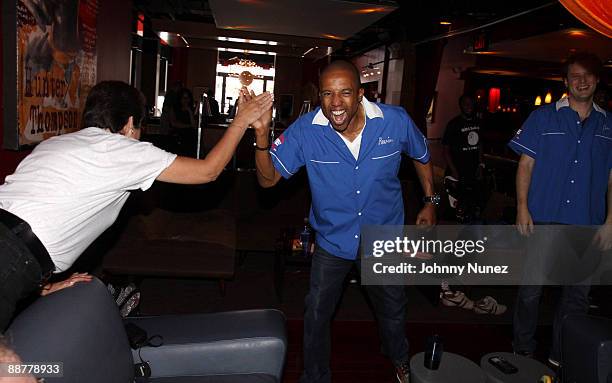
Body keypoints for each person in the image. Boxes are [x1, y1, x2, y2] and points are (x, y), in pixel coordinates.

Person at [0, 81, 273, 331]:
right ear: (130, 124)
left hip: (17, 256)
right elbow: (208, 171)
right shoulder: (122, 148)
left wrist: (43, 285)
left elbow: (31, 210)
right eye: (140, 128)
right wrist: (241, 121)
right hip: (12, 257)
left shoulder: (55, 143)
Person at [249, 60, 437, 383]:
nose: (335, 104)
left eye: (345, 93)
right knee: (316, 313)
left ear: (360, 94)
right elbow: (268, 181)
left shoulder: (395, 122)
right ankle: (315, 376)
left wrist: (430, 202)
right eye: (327, 94)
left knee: (393, 309)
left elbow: (421, 155)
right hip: (333, 241)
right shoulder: (307, 130)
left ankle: (399, 358)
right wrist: (263, 136)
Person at [509, 52, 611, 368]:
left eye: (588, 75)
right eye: (575, 76)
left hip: (587, 223)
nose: (582, 81)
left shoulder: (609, 124)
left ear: (597, 79)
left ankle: (561, 356)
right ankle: (522, 350)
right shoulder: (543, 117)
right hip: (542, 218)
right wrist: (522, 208)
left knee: (576, 299)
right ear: (565, 82)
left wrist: (610, 221)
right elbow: (525, 165)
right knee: (530, 291)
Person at [442, 94, 485, 221]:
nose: (469, 106)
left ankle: (469, 233)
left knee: (472, 205)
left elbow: (480, 145)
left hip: (473, 171)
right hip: (456, 171)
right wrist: (454, 171)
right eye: (466, 104)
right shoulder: (453, 124)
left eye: (471, 103)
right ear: (461, 105)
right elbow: (445, 150)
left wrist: (481, 165)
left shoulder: (478, 123)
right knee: (454, 206)